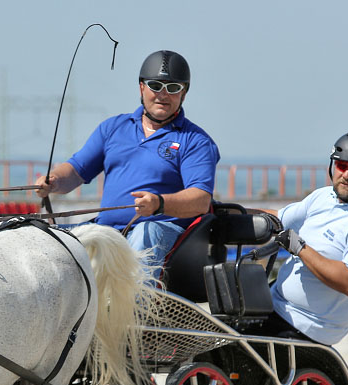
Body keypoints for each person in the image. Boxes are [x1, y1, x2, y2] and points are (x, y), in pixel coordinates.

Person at [34, 49, 220, 281]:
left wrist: (159, 204)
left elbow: (200, 200)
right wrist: (53, 181)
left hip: (161, 231)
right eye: (155, 86)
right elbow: (76, 170)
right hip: (107, 232)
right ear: (141, 87)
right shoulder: (113, 128)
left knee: (145, 231)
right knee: (50, 238)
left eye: (173, 88)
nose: (163, 95)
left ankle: (135, 308)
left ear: (184, 93)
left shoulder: (195, 141)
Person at [255, 131, 348, 345]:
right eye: (342, 166)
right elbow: (276, 218)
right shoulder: (324, 196)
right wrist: (223, 211)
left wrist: (301, 248)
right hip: (275, 304)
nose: (347, 174)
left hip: (307, 326)